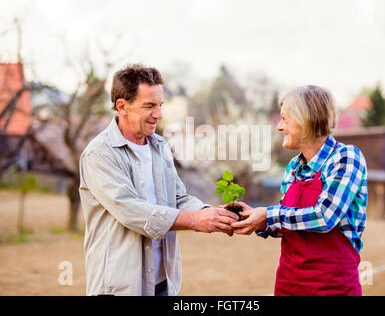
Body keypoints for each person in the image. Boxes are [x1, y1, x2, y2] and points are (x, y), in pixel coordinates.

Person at [79, 63, 238, 296]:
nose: (159, 114)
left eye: (160, 105)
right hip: (118, 286)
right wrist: (194, 219)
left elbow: (178, 197)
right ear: (122, 106)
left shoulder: (160, 146)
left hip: (162, 283)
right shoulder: (99, 154)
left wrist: (211, 214)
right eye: (149, 106)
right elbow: (131, 211)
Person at [231, 85, 368, 296]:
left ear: (306, 120)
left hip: (333, 288)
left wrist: (268, 214)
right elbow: (290, 224)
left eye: (285, 119)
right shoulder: (294, 167)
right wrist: (253, 219)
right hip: (289, 286)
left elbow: (325, 217)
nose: (279, 126)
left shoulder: (346, 158)